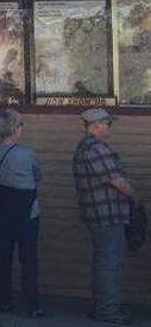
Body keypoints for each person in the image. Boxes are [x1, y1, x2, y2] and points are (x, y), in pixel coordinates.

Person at [73, 108, 138, 325]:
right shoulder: (96, 149)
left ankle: (99, 306)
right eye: (108, 124)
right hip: (107, 215)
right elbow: (116, 180)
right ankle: (108, 311)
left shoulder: (86, 147)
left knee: (102, 262)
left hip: (97, 215)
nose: (110, 128)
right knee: (109, 264)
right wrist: (135, 198)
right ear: (96, 125)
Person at [0, 109, 42, 317]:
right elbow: (37, 177)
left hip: (1, 209)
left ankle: (3, 300)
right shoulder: (27, 154)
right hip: (27, 211)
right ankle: (32, 303)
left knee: (3, 257)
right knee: (28, 259)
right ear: (15, 129)